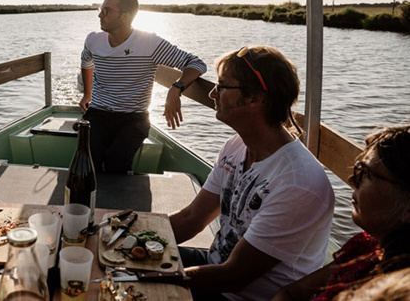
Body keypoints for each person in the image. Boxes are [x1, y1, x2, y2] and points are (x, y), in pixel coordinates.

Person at [168, 45, 335, 301]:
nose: (213, 93)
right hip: (216, 267)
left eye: (222, 86)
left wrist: (153, 278)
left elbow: (235, 276)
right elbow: (192, 218)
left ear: (255, 98)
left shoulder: (298, 183)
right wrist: (130, 234)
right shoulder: (235, 146)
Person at [273, 125, 410, 301]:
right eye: (358, 168)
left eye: (367, 174)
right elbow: (291, 292)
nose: (352, 180)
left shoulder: (397, 290)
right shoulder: (367, 246)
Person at [79, 0, 206, 173]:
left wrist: (176, 88)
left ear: (125, 17)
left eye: (106, 11)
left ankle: (118, 201)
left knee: (116, 161)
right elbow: (86, 62)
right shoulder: (93, 40)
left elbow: (196, 63)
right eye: (101, 9)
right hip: (98, 113)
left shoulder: (149, 43)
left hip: (134, 118)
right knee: (88, 162)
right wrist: (87, 94)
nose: (100, 15)